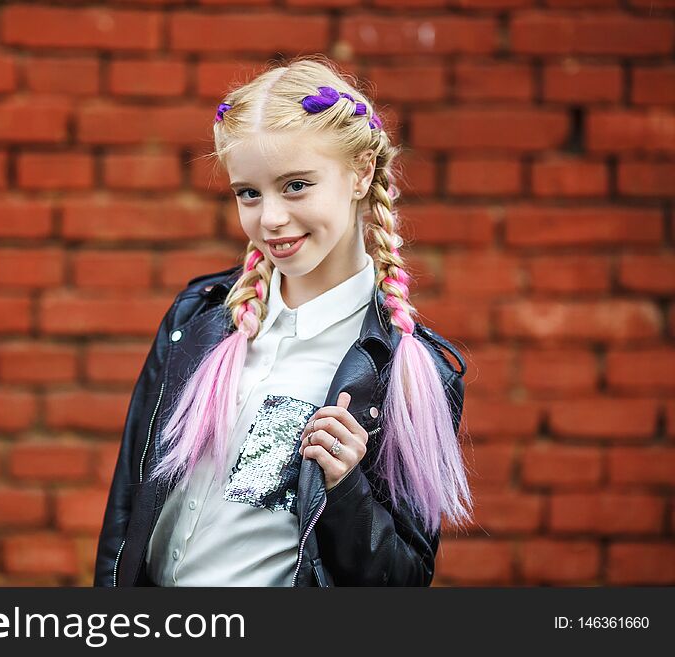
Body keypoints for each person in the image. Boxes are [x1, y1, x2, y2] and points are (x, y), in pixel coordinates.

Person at [95, 56, 473, 587]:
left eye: (296, 185)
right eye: (249, 193)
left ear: (361, 173)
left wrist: (346, 489)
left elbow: (404, 578)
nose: (270, 218)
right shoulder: (197, 320)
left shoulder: (406, 370)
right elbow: (127, 509)